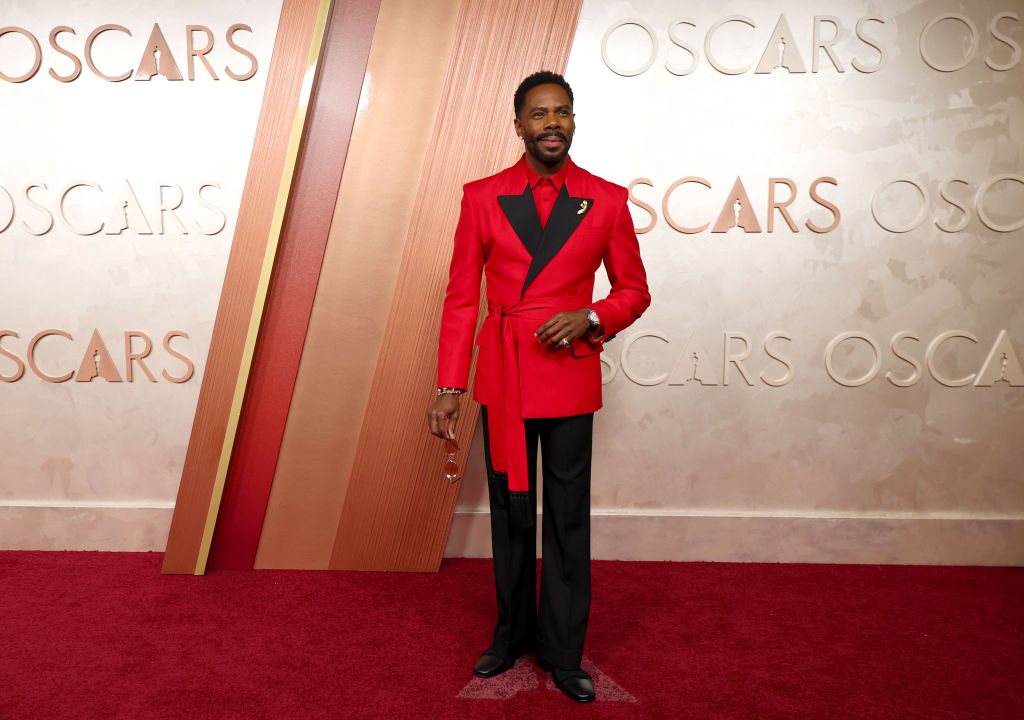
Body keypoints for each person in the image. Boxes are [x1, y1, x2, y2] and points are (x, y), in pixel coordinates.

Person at [426, 70, 650, 703]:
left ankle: (565, 650)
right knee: (511, 513)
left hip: (569, 374)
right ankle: (512, 634)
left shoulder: (606, 200)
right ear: (518, 123)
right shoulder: (481, 197)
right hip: (505, 377)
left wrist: (594, 315)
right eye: (539, 114)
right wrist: (451, 385)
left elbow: (635, 290)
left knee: (568, 518)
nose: (553, 123)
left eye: (563, 113)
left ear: (574, 121)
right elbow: (462, 299)